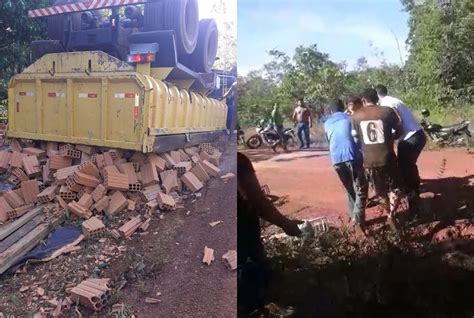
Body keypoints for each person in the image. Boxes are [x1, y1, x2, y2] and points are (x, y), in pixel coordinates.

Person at [237, 152, 302, 314]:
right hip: (242, 239)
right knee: (252, 282)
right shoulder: (236, 160)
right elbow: (257, 200)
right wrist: (286, 224)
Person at [352, 88, 402, 229]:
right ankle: (391, 214)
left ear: (363, 100)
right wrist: (391, 138)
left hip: (369, 161)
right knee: (395, 187)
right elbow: (399, 127)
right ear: (377, 99)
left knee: (380, 191)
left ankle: (386, 211)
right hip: (388, 157)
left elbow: (355, 139)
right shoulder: (386, 111)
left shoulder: (356, 116)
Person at [375, 84, 426, 214]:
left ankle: (414, 205)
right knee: (408, 168)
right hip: (416, 135)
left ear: (377, 95)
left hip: (410, 137)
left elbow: (396, 125)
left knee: (406, 170)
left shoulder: (386, 104)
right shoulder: (393, 100)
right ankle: (413, 197)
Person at [324, 99, 368, 232]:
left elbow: (329, 140)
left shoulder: (326, 123)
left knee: (349, 188)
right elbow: (357, 138)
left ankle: (354, 215)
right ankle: (357, 218)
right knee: (362, 188)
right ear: (343, 107)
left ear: (331, 110)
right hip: (352, 156)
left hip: (336, 159)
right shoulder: (350, 118)